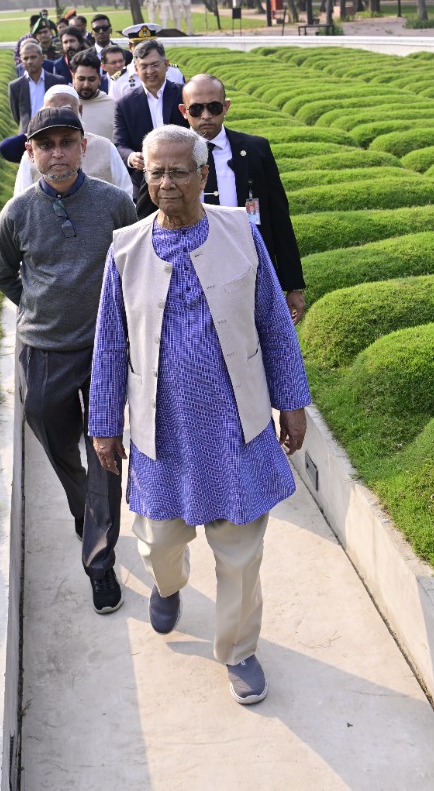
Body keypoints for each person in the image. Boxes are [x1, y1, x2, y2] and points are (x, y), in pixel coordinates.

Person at [88, 124, 311, 706]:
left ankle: (239, 650)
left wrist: (293, 403)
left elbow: (274, 326)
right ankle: (170, 584)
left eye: (179, 171)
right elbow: (110, 343)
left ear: (203, 175)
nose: (166, 183)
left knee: (240, 553)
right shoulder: (126, 248)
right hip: (164, 430)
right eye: (155, 172)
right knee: (159, 540)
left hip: (237, 428)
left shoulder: (241, 234)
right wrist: (105, 424)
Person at [0, 106, 138, 615]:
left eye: (66, 143)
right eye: (45, 144)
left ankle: (100, 562)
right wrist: (40, 307)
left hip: (103, 350)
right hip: (44, 352)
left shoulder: (116, 203)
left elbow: (134, 262)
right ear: (31, 153)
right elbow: (4, 276)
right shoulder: (16, 214)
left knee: (104, 451)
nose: (57, 153)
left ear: (83, 146)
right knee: (58, 445)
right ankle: (87, 509)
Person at [179, 73, 306, 324]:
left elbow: (279, 218)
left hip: (249, 267)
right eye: (196, 109)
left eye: (214, 107)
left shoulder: (256, 149)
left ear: (226, 107)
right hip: (192, 272)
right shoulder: (169, 154)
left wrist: (293, 284)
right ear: (184, 111)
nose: (206, 116)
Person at [13, 86, 127, 193]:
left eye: (66, 110)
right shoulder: (32, 154)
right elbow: (20, 201)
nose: (57, 154)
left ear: (80, 111)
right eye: (52, 111)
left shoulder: (105, 148)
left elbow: (126, 192)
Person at [113, 38, 187, 196]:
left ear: (166, 65)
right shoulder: (125, 104)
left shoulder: (185, 95)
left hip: (184, 176)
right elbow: (120, 144)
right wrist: (132, 157)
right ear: (136, 69)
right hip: (144, 182)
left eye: (154, 65)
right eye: (144, 66)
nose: (150, 71)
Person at [68, 49, 117, 139]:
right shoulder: (60, 102)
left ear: (99, 78)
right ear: (73, 77)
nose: (86, 85)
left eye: (91, 79)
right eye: (81, 79)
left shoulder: (112, 106)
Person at [10, 41, 53, 132]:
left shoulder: (56, 81)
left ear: (42, 58)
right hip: (27, 133)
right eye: (25, 58)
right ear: (21, 61)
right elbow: (17, 115)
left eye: (33, 57)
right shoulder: (15, 86)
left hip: (52, 130)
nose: (29, 61)